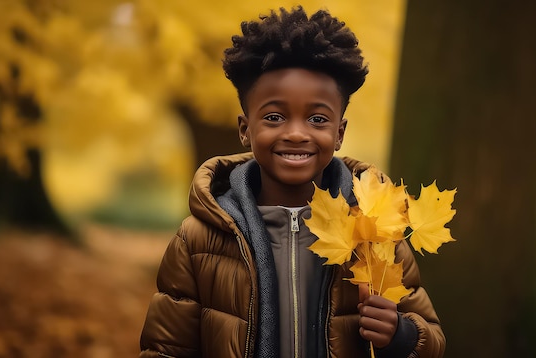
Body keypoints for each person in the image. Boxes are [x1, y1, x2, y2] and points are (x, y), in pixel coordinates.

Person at [139, 6, 445, 358]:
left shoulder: (377, 233)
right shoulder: (198, 239)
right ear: (245, 129)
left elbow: (431, 340)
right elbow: (164, 349)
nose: (296, 133)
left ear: (339, 132)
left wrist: (400, 335)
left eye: (317, 118)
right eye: (274, 117)